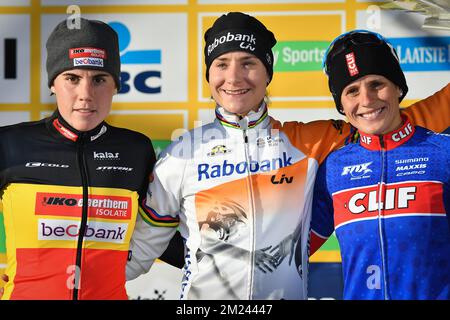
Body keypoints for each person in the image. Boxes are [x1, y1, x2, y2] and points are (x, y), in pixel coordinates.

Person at [126, 13, 450, 300]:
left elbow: (390, 126)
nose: (234, 78)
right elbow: (139, 251)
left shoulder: (315, 142)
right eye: (222, 64)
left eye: (249, 63)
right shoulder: (180, 155)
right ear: (209, 76)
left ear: (268, 74)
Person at [0, 17, 182, 300]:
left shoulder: (136, 149)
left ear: (116, 86)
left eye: (99, 79)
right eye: (72, 78)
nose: (85, 95)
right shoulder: (10, 144)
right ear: (52, 84)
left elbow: (161, 235)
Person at [309, 30, 450, 299]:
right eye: (352, 91)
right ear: (341, 104)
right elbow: (294, 254)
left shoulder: (443, 153)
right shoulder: (334, 169)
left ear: (398, 87)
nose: (366, 100)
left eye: (376, 84)